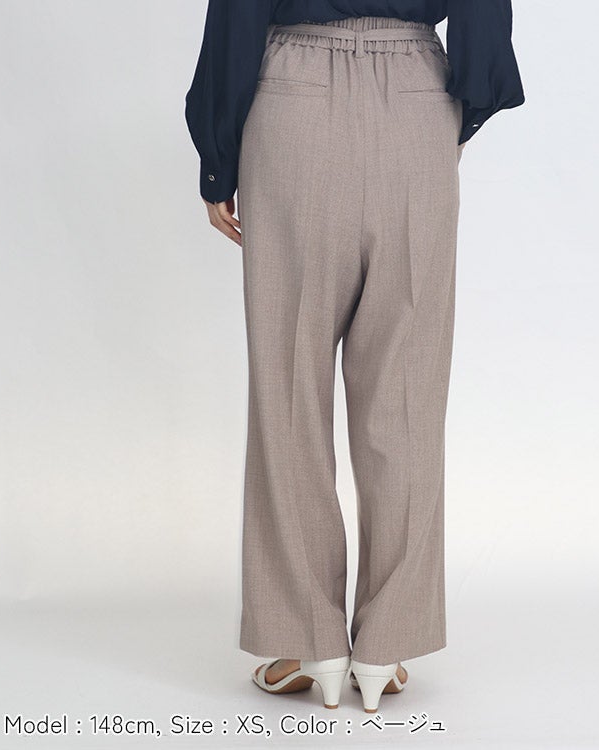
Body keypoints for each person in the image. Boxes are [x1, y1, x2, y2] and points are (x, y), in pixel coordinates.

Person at [184, 0, 525, 713]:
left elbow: (239, 10)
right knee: (407, 392)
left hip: (294, 98)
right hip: (416, 97)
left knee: (288, 390)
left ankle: (308, 639)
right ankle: (385, 645)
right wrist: (460, 109)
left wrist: (218, 158)